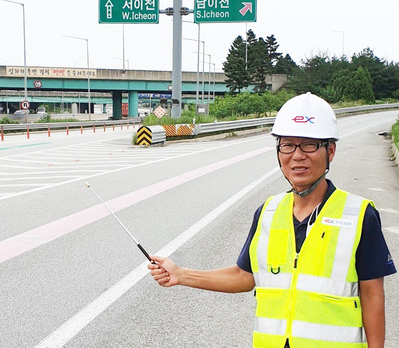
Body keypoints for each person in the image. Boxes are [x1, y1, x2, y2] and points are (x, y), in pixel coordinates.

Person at [148, 92, 396, 348]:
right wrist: (181, 274)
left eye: (309, 144)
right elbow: (244, 276)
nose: (297, 156)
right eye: (288, 145)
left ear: (330, 151)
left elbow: (373, 295)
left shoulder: (359, 214)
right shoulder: (267, 212)